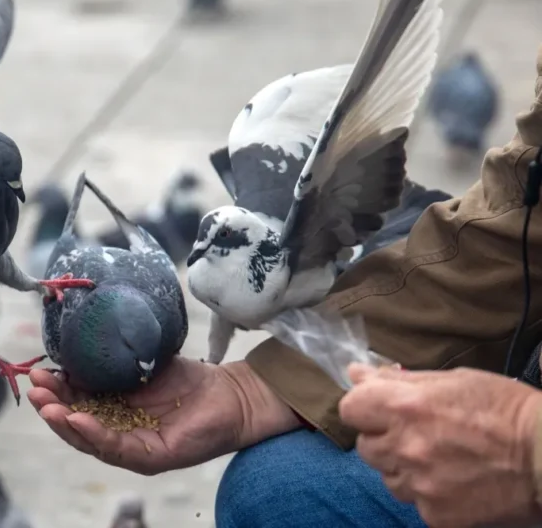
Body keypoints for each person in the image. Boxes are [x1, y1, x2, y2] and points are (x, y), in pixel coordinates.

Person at [27, 44, 542, 528]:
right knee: (271, 487)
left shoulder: (166, 309)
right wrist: (258, 385)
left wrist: (525, 440)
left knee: (279, 490)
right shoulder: (94, 308)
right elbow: (522, 219)